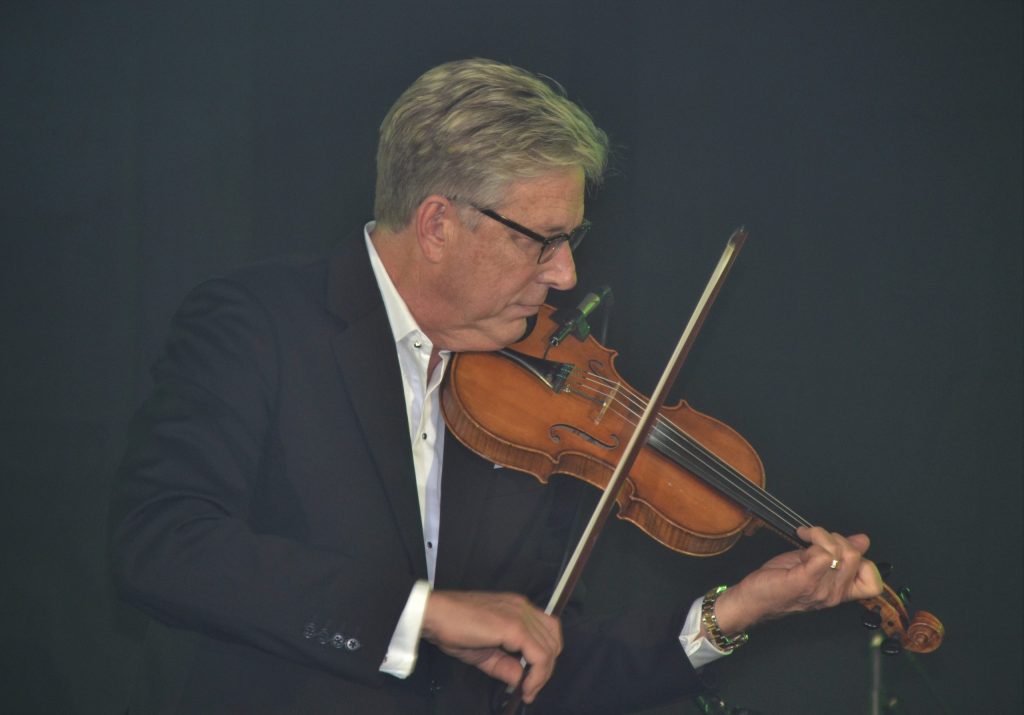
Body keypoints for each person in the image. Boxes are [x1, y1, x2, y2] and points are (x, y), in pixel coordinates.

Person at [111, 58, 883, 714]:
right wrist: (423, 614)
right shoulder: (259, 324)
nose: (567, 275)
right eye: (543, 242)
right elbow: (161, 545)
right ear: (440, 223)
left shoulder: (518, 397)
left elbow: (537, 655)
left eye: (570, 240)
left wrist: (731, 612)